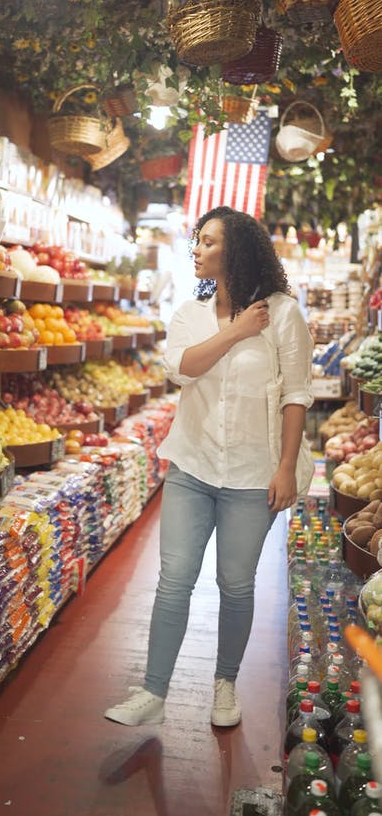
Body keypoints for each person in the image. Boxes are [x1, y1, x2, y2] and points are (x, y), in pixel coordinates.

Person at [104, 206, 314, 728]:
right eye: (196, 241)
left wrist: (286, 467)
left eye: (208, 242)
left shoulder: (283, 312)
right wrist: (237, 331)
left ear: (237, 251)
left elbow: (297, 395)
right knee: (174, 578)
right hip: (192, 465)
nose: (196, 249)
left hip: (253, 473)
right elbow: (182, 368)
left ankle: (225, 684)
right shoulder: (190, 314)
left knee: (236, 583)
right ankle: (153, 690)